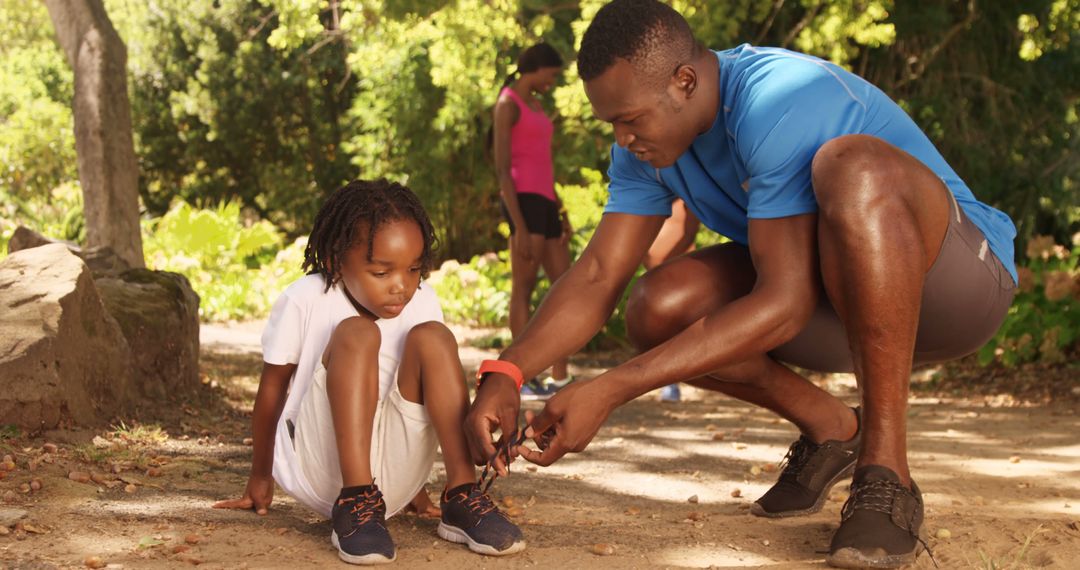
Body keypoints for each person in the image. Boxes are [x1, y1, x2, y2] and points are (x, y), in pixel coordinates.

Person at [464, 1, 1017, 568]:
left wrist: (607, 389)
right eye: (612, 124)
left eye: (631, 119)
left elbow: (784, 304)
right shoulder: (645, 150)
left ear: (685, 82)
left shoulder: (778, 97)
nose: (623, 138)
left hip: (957, 286)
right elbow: (600, 273)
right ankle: (833, 430)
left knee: (852, 167)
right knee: (657, 307)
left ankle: (886, 473)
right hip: (843, 307)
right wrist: (507, 371)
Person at [215, 180, 524, 564]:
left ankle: (461, 495)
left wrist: (412, 487)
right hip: (322, 466)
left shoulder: (423, 298)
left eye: (413, 269)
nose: (402, 287)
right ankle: (356, 498)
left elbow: (419, 401)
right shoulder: (305, 299)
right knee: (358, 332)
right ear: (335, 260)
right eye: (382, 273)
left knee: (435, 337)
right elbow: (273, 389)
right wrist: (261, 476)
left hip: (392, 476)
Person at [492, 43, 574, 399]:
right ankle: (520, 376)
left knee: (565, 286)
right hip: (522, 203)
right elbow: (502, 170)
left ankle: (560, 374)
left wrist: (562, 209)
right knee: (523, 289)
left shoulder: (537, 105)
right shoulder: (507, 104)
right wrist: (520, 226)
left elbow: (544, 163)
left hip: (546, 201)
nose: (552, 82)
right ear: (537, 69)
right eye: (552, 75)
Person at [643, 198, 701, 402]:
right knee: (659, 324)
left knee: (678, 324)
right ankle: (667, 380)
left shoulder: (687, 195)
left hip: (678, 268)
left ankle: (673, 379)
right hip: (656, 272)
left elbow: (689, 232)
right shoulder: (653, 191)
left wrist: (667, 262)